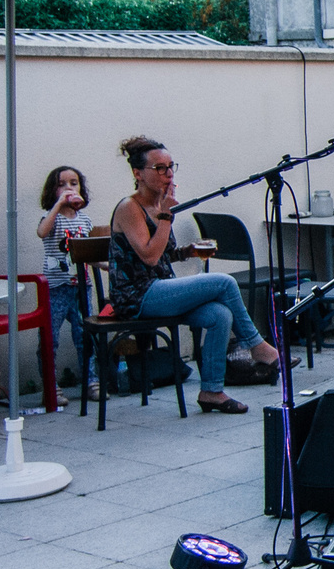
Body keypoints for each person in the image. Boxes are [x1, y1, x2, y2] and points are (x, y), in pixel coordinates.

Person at [106, 136, 279, 411]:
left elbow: (164, 253)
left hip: (161, 289)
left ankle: (211, 392)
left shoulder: (158, 206)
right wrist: (166, 217)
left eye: (170, 166)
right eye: (159, 168)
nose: (168, 174)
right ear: (138, 174)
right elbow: (149, 257)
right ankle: (256, 344)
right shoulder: (131, 207)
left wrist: (188, 251)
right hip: (137, 297)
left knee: (219, 315)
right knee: (224, 281)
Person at [36, 164, 97, 402]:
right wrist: (58, 205)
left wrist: (106, 265)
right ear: (52, 190)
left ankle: (91, 380)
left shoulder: (85, 220)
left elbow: (89, 253)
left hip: (82, 286)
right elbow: (42, 232)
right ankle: (51, 387)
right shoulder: (51, 218)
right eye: (61, 184)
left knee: (85, 335)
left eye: (73, 183)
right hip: (56, 287)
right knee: (50, 337)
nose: (68, 188)